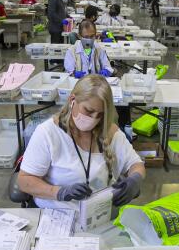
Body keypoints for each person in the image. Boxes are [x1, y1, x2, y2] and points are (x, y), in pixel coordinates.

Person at [18, 75, 145, 209]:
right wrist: (59, 192)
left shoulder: (110, 132)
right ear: (73, 100)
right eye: (89, 111)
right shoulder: (48, 133)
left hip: (99, 214)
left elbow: (136, 164)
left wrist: (135, 180)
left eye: (100, 114)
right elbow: (24, 180)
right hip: (58, 215)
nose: (93, 119)